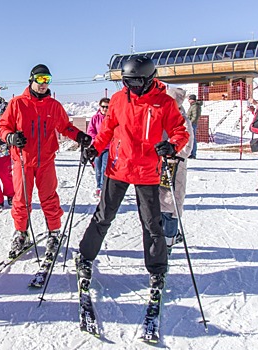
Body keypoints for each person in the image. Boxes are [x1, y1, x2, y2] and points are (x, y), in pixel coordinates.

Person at [77, 56, 189, 290]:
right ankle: (85, 257)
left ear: (149, 79)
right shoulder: (118, 100)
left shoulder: (164, 103)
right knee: (104, 216)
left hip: (147, 170)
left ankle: (157, 269)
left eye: (136, 82)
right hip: (118, 168)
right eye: (127, 82)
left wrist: (172, 145)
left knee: (151, 223)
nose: (131, 87)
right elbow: (107, 130)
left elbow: (180, 130)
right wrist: (95, 149)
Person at [0, 64, 92, 259]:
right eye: (40, 79)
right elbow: (4, 126)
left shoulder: (53, 106)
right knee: (21, 199)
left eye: (47, 79)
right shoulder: (17, 103)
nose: (43, 83)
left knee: (49, 198)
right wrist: (10, 137)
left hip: (46, 161)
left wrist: (80, 136)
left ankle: (54, 232)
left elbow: (66, 127)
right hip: (23, 161)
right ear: (31, 80)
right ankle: (21, 232)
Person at [162, 88, 194, 255]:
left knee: (171, 204)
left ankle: (169, 238)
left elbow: (187, 147)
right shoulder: (162, 116)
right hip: (160, 164)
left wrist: (171, 151)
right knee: (159, 204)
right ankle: (163, 236)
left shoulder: (183, 120)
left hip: (175, 166)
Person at [87, 97, 110, 198]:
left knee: (105, 168)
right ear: (100, 107)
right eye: (103, 106)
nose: (105, 109)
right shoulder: (95, 118)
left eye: (107, 107)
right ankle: (98, 186)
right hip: (97, 147)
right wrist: (96, 139)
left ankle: (102, 187)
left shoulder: (111, 118)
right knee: (97, 168)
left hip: (108, 147)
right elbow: (90, 131)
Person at [187, 94, 202, 159]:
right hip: (191, 124)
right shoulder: (193, 106)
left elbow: (194, 116)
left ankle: (193, 154)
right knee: (191, 138)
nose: (188, 100)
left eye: (189, 99)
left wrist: (190, 123)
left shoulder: (195, 106)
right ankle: (192, 153)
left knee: (192, 139)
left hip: (192, 124)